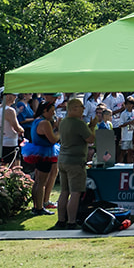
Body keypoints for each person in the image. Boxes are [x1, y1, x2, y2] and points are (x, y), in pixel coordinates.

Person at [55, 97, 96, 229]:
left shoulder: (64, 122)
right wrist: (93, 126)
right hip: (75, 162)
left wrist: (89, 126)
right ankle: (72, 222)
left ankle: (61, 220)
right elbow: (90, 139)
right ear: (73, 109)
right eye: (80, 107)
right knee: (75, 192)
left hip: (63, 159)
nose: (83, 109)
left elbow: (78, 135)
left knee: (64, 192)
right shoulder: (79, 124)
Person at [21, 99, 59, 215]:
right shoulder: (44, 123)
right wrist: (60, 130)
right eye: (51, 111)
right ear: (45, 111)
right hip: (44, 154)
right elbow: (53, 139)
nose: (53, 113)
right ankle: (39, 208)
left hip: (38, 152)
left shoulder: (37, 121)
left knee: (37, 181)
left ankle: (37, 206)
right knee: (41, 182)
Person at [0, 93, 23, 166]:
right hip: (10, 143)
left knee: (2, 166)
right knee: (14, 168)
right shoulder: (10, 110)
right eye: (14, 95)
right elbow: (16, 127)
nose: (16, 97)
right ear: (7, 96)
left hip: (0, 141)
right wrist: (22, 130)